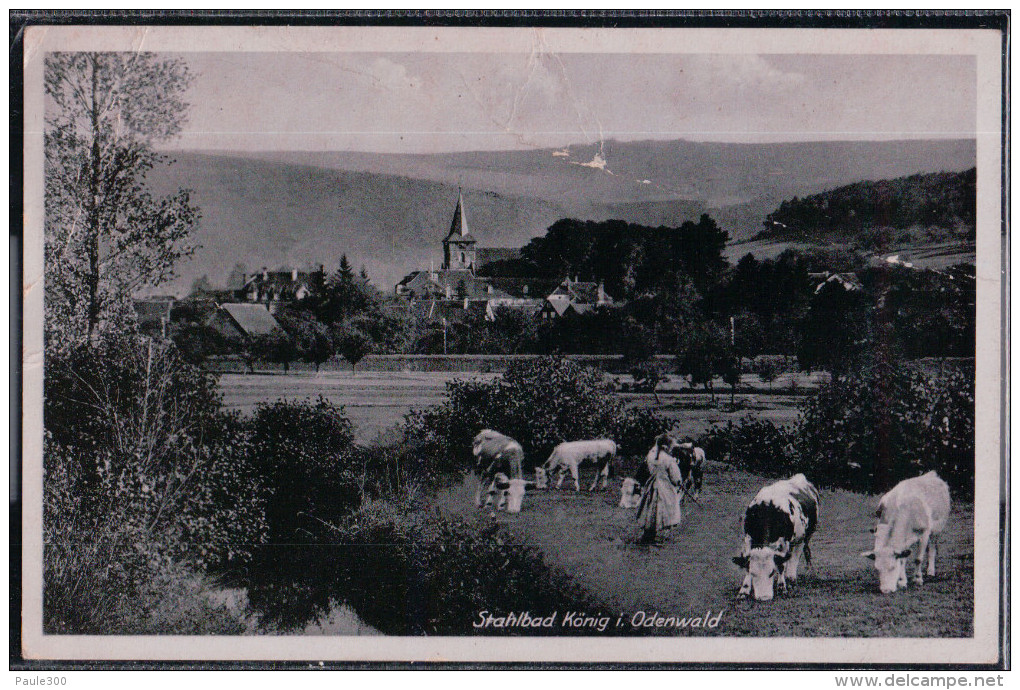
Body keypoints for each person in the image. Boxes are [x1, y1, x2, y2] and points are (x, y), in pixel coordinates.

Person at [635, 434, 685, 544]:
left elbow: (650, 469)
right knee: (660, 510)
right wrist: (679, 483)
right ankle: (649, 537)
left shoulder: (650, 456)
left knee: (650, 509)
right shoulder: (669, 460)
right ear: (666, 447)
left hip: (651, 486)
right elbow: (675, 478)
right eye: (671, 447)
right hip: (664, 488)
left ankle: (649, 535)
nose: (672, 449)